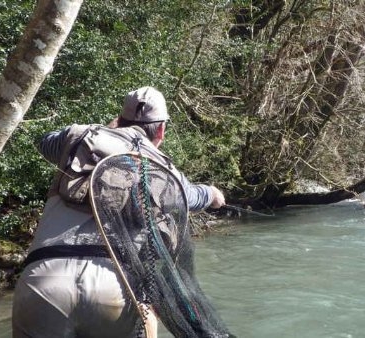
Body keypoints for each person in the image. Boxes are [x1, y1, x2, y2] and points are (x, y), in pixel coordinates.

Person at [12, 86, 229, 337]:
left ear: (120, 119)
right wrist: (212, 194)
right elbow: (189, 196)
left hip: (43, 279)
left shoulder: (79, 137)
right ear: (161, 130)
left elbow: (43, 142)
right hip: (116, 287)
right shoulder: (164, 168)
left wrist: (103, 134)